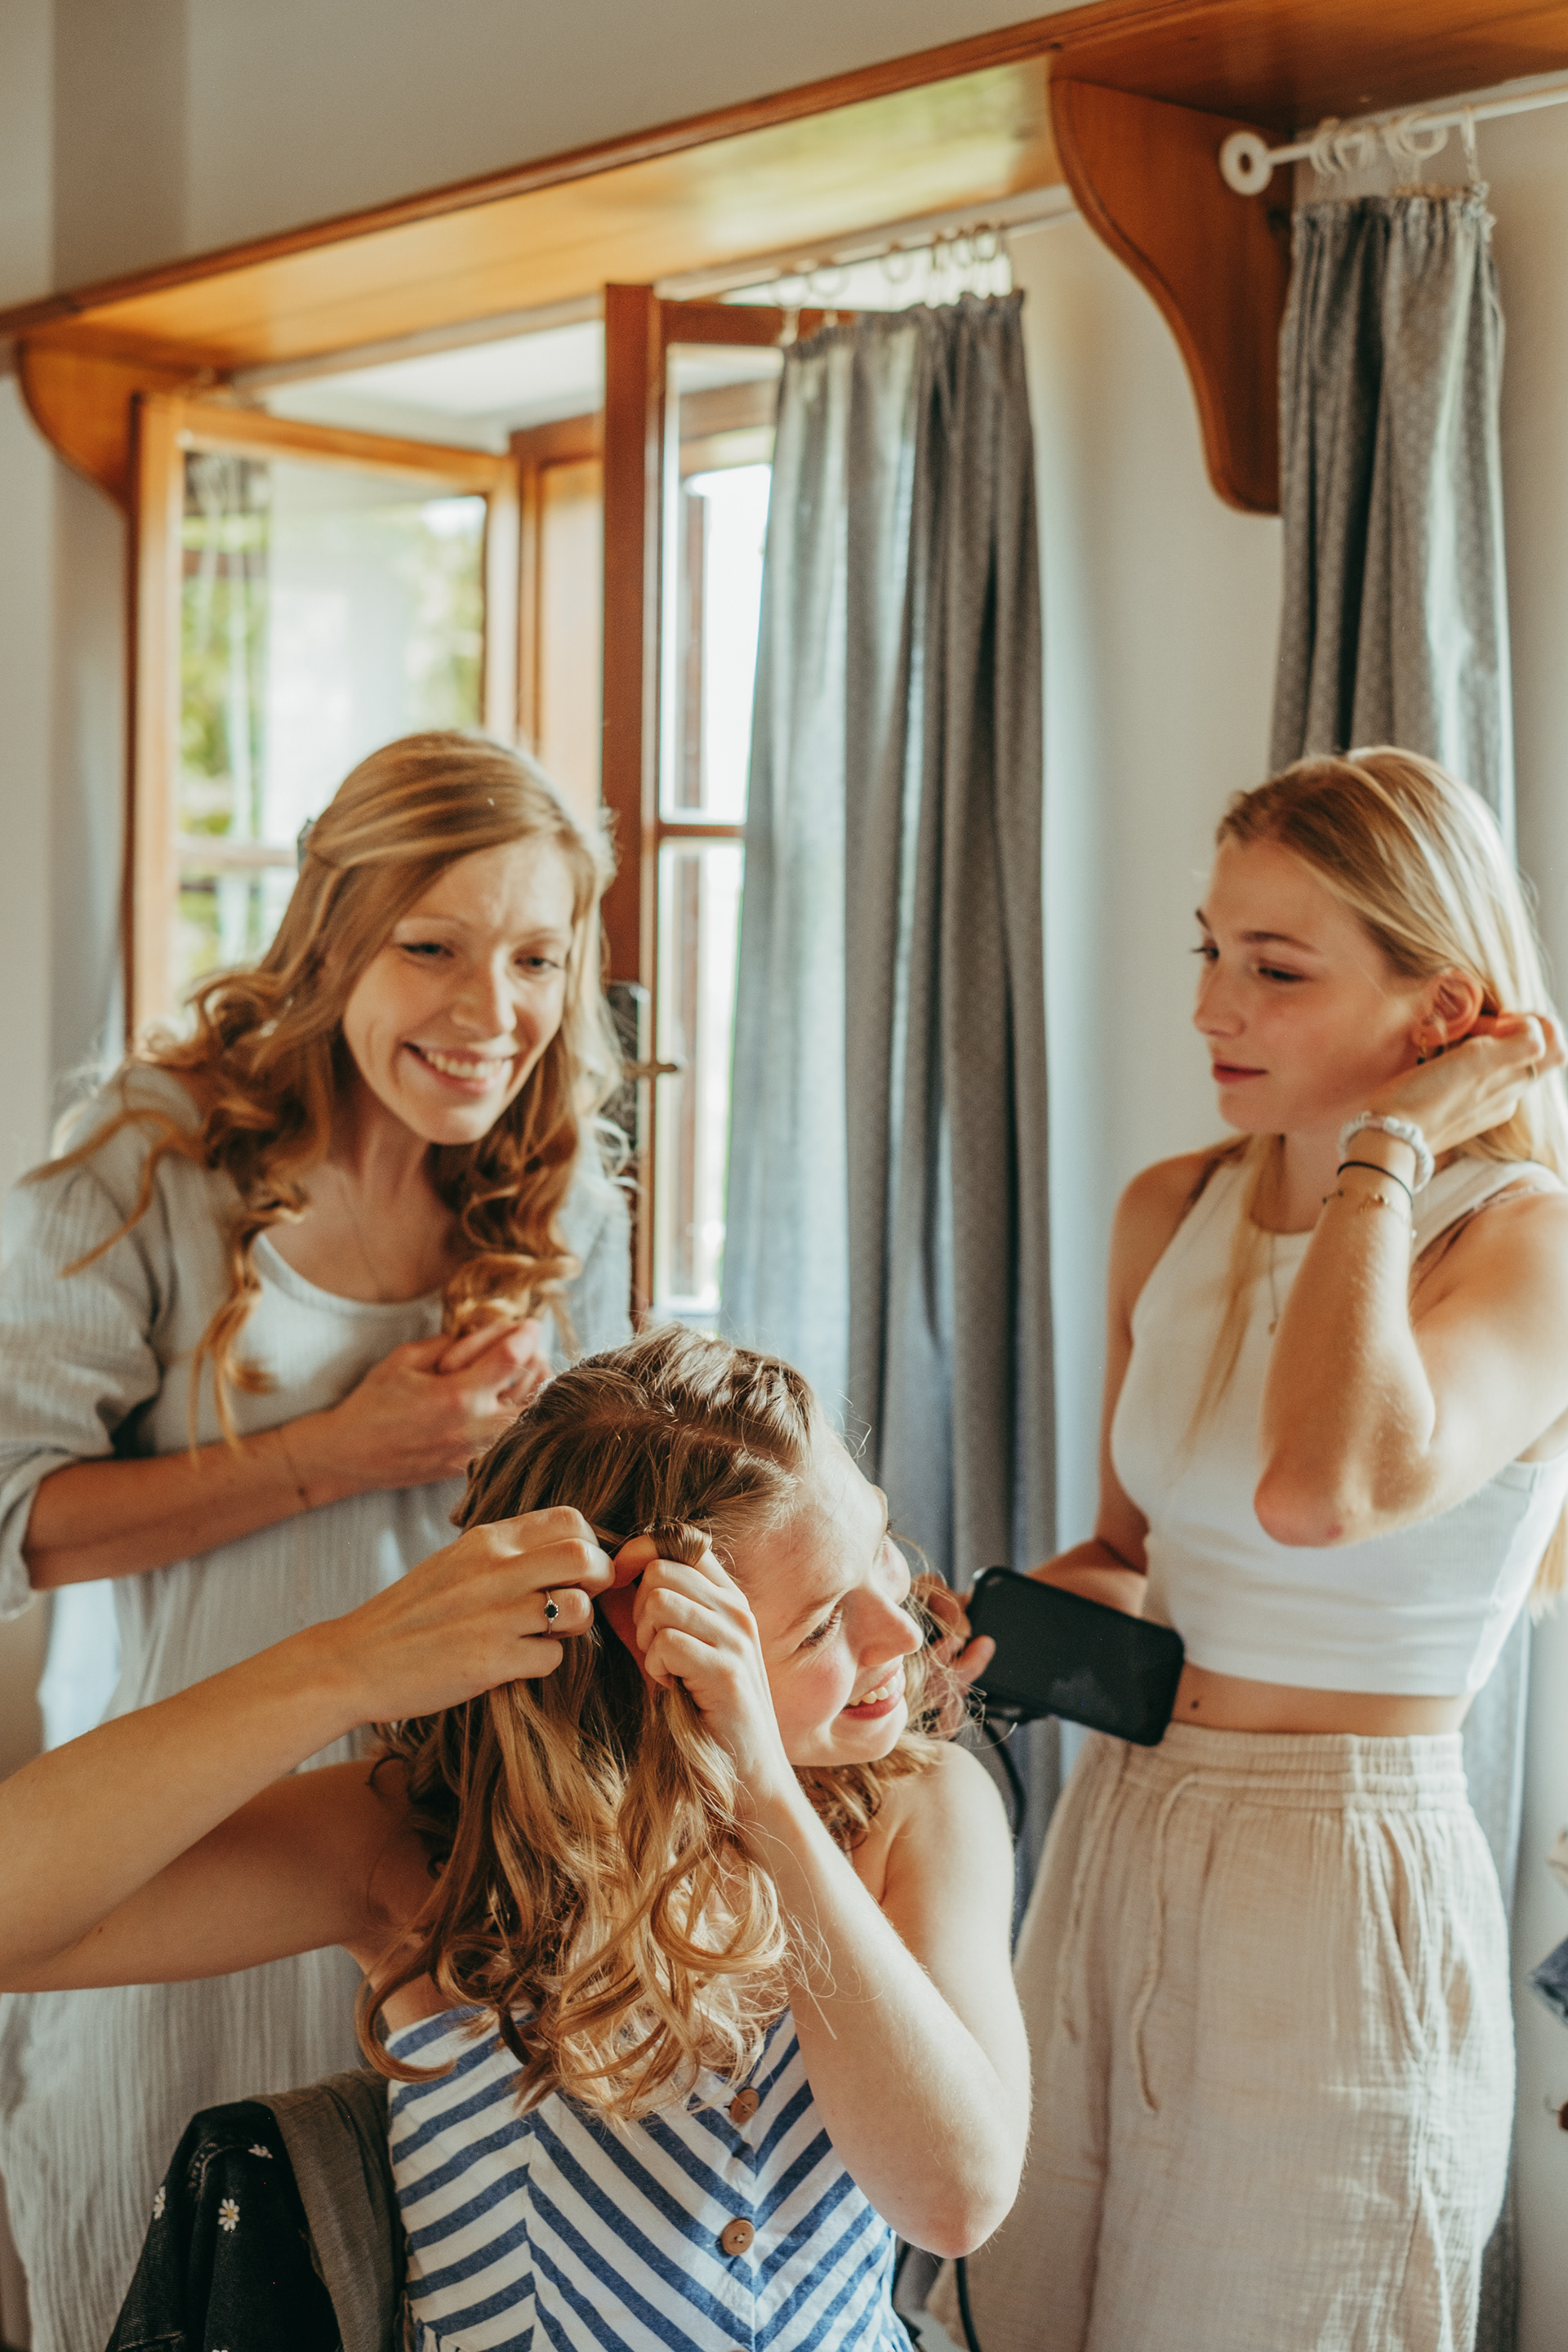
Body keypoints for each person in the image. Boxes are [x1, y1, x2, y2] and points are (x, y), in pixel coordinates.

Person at [0, 1326, 1028, 2352]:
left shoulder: (917, 1808)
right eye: (821, 1625)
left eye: (879, 1546)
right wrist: (342, 1667)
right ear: (649, 1655)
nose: (904, 1632)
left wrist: (763, 1788)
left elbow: (957, 2202)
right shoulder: (428, 1852)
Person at [0, 731, 633, 2352]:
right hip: (194, 1827)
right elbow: (19, 1520)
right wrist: (338, 1454)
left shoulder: (566, 1191)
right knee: (169, 2267)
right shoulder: (152, 1157)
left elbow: (614, 1527)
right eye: (432, 946)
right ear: (335, 929)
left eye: (538, 957)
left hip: (456, 1856)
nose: (491, 1010)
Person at [940, 750, 1568, 2352]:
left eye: (1276, 970)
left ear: (1444, 1013)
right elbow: (1131, 1551)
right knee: (1034, 2308)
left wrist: (1391, 1149)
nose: (1211, 1007)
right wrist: (979, 1629)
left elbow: (1322, 1493)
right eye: (1210, 950)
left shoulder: (1523, 1244)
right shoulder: (1171, 1209)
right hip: (1121, 1826)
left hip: (1340, 1877)